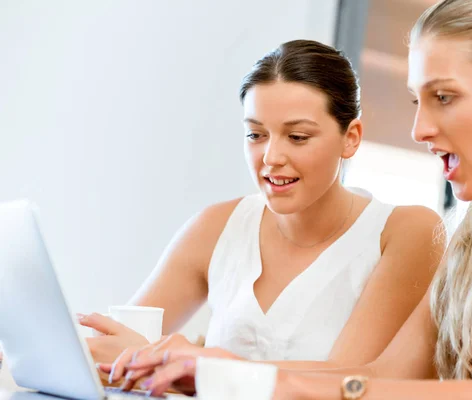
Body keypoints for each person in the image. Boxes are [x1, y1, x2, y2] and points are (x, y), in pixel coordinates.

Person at [118, 1, 472, 398]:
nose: (420, 130)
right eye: (418, 101)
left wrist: (258, 381)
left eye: (444, 97)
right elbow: (382, 376)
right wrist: (214, 368)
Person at [81, 39, 443, 385]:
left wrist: (199, 365)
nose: (271, 158)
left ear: (351, 137)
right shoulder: (218, 226)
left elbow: (351, 378)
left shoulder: (405, 232)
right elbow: (124, 345)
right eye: (256, 135)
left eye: (297, 137)